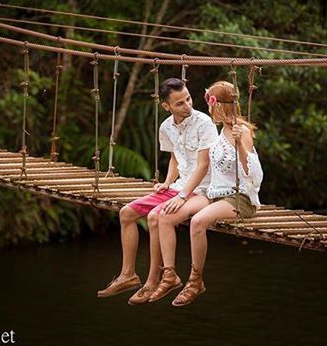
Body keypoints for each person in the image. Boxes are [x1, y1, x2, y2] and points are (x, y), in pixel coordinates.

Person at [97, 77, 218, 305]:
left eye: (189, 99)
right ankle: (128, 275)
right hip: (179, 186)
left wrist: (182, 196)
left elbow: (204, 165)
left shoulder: (204, 123)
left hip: (200, 189)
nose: (188, 105)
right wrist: (167, 181)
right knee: (126, 212)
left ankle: (154, 280)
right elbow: (175, 158)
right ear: (166, 106)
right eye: (180, 103)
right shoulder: (166, 127)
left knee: (155, 217)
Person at [150, 80, 263, 306]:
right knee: (164, 216)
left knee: (198, 221)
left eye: (210, 105)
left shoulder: (241, 131)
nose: (207, 110)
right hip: (216, 195)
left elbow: (254, 174)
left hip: (241, 199)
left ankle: (195, 280)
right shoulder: (222, 131)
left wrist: (241, 144)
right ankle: (169, 275)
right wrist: (174, 186)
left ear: (217, 106)